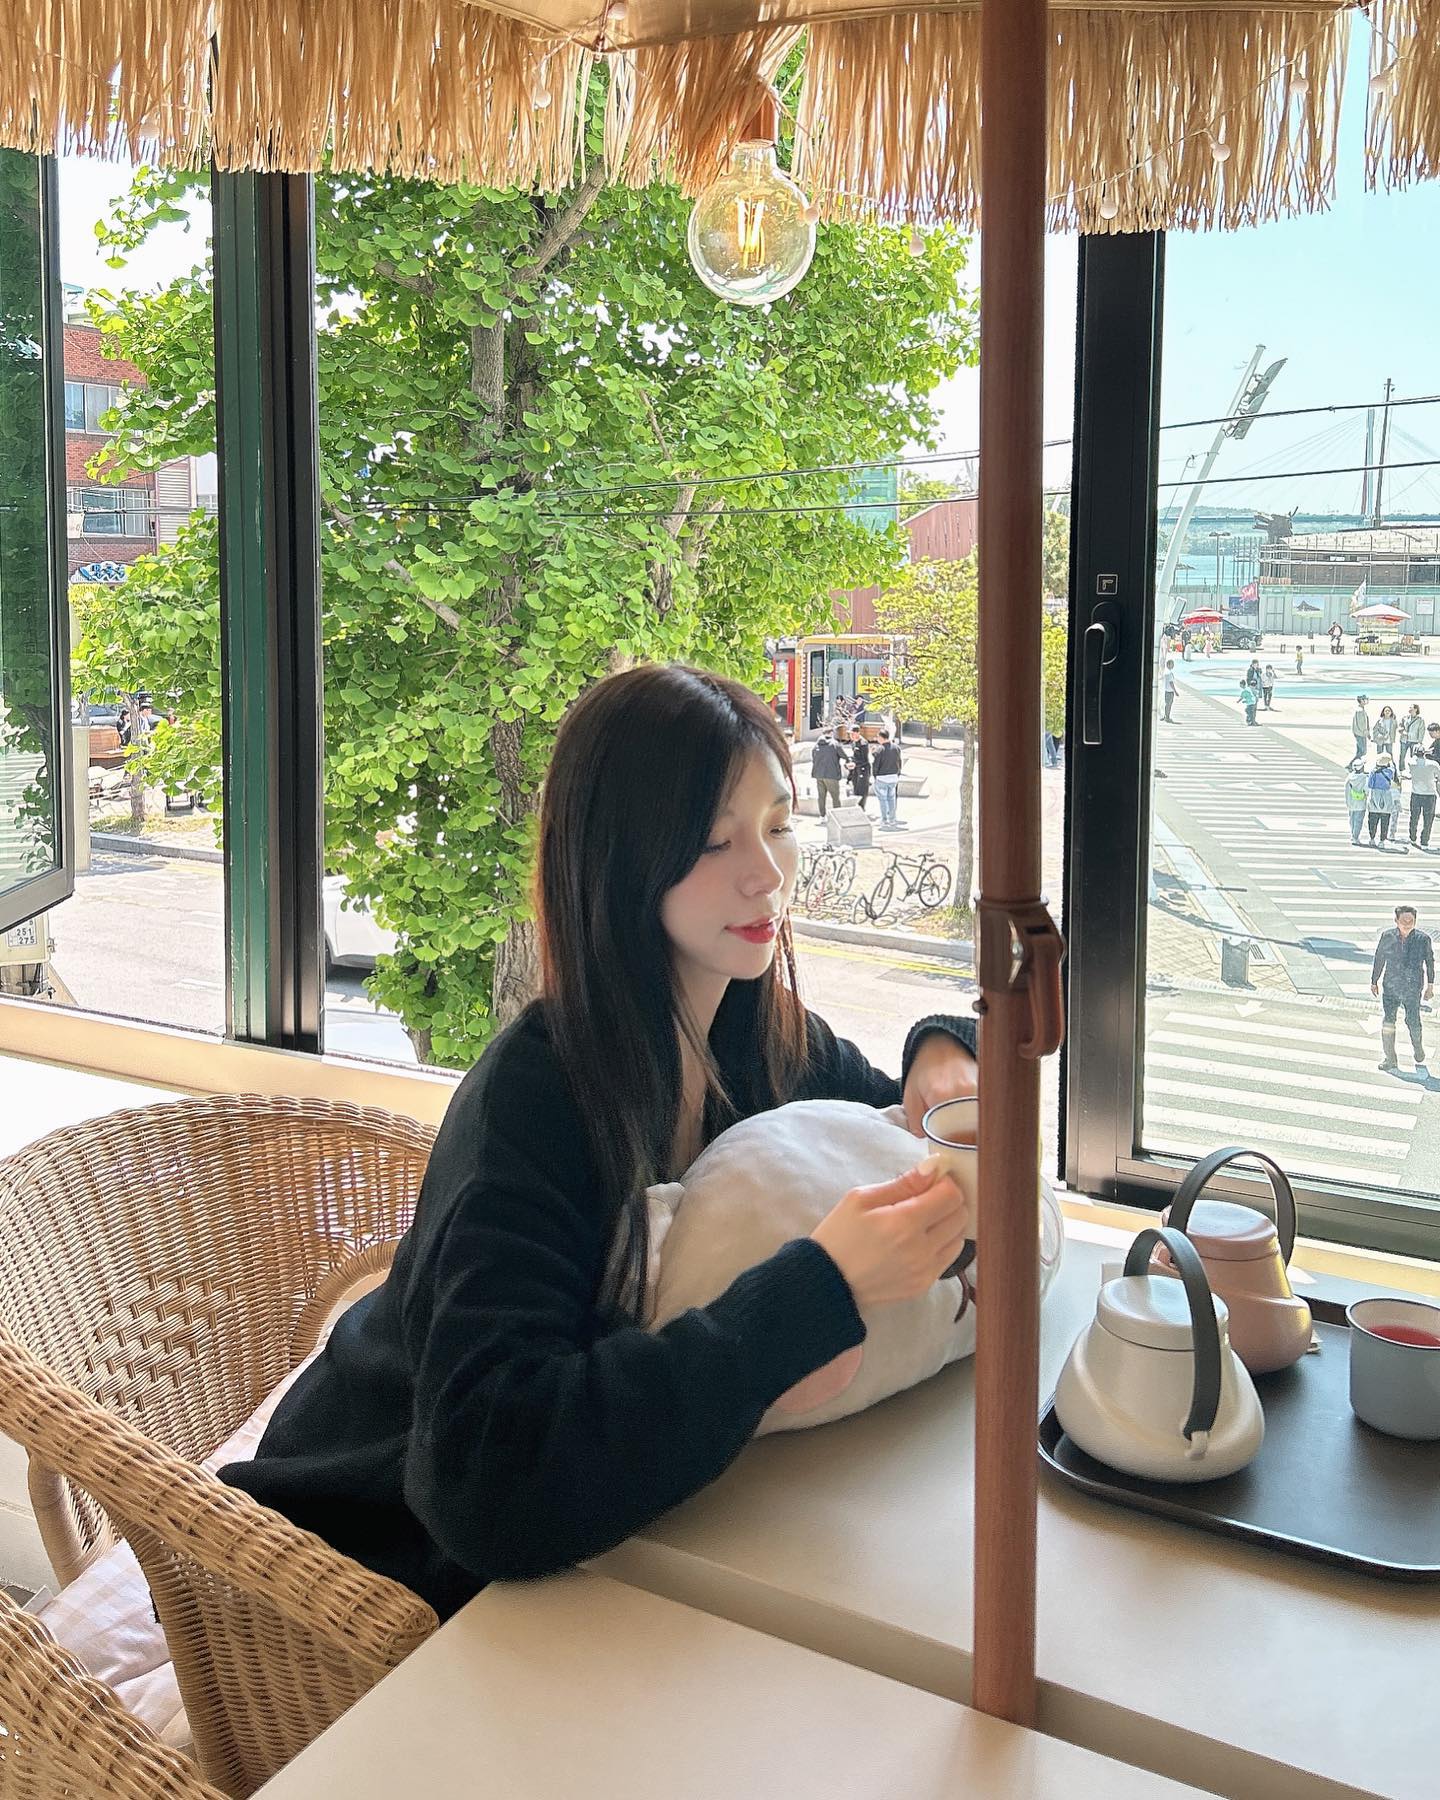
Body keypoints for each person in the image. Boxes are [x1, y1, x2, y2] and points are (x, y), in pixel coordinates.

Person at [220, 664, 979, 1618]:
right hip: (358, 1555)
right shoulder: (537, 1098)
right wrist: (816, 1293)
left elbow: (889, 1115)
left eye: (780, 825)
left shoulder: (755, 1032)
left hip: (608, 1546)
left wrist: (943, 1048)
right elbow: (487, 1481)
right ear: (621, 860)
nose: (767, 872)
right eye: (714, 841)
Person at [1371, 905, 1434, 1074]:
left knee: (1413, 1021)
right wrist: (1374, 980)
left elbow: (1429, 962)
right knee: (1388, 1022)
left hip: (1412, 987)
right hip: (1391, 986)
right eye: (1404, 920)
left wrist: (1430, 986)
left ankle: (1418, 1047)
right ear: (1396, 920)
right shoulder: (1387, 936)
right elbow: (1379, 958)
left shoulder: (1423, 939)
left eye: (1411, 921)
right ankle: (1390, 1058)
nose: (1407, 924)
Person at [811, 729, 847, 819]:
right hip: (831, 774)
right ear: (831, 733)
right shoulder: (835, 744)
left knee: (821, 796)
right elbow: (843, 755)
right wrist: (849, 760)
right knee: (835, 797)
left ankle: (822, 816)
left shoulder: (816, 745)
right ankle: (837, 817)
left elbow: (813, 758)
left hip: (819, 774)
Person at [1409, 746, 1439, 849]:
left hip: (1416, 793)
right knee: (1428, 820)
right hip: (1430, 794)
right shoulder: (1433, 764)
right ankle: (1424, 841)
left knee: (1414, 817)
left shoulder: (1411, 763)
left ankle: (1412, 837)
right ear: (1424, 753)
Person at [1367, 753, 1398, 847]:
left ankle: (1372, 838)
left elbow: (1370, 785)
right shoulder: (1390, 771)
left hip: (1375, 796)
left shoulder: (1373, 772)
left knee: (1373, 820)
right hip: (1386, 797)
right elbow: (1395, 777)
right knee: (1385, 821)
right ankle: (1382, 841)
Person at [873, 729, 903, 828]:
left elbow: (876, 765)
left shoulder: (879, 749)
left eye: (878, 737)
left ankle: (884, 820)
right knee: (891, 799)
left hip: (882, 777)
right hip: (893, 777)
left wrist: (875, 776)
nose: (877, 739)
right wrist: (898, 774)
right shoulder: (896, 748)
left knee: (883, 800)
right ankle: (892, 819)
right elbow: (899, 762)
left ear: (881, 737)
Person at [1345, 762, 1370, 846]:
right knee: (1358, 821)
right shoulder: (1364, 778)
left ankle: (1353, 834)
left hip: (1351, 803)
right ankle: (1355, 837)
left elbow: (1346, 791)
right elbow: (1367, 791)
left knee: (1352, 820)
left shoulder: (1349, 778)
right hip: (1360, 803)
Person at [849, 732, 872, 811]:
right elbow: (854, 756)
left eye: (853, 734)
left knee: (862, 789)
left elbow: (864, 759)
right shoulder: (853, 742)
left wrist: (855, 763)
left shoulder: (863, 743)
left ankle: (861, 807)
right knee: (855, 787)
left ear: (858, 733)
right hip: (855, 768)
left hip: (863, 768)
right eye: (850, 734)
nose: (851, 736)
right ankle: (856, 807)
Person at [1401, 704, 1425, 771]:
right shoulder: (1405, 718)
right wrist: (1402, 732)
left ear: (1416, 709)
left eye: (1411, 707)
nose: (1409, 709)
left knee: (1414, 757)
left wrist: (1420, 742)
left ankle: (1413, 771)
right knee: (1402, 756)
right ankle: (1401, 770)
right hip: (1404, 740)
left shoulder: (1420, 720)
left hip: (1414, 740)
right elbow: (1400, 726)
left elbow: (1421, 731)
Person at [1351, 695, 1371, 762]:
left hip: (1359, 733)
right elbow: (1362, 725)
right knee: (1363, 751)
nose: (1367, 701)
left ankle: (1357, 764)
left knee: (1360, 751)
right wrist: (1367, 733)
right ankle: (1353, 764)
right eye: (1365, 699)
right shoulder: (1360, 711)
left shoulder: (1360, 709)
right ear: (1362, 701)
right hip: (1360, 734)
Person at [1161, 659, 1178, 723]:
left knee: (1166, 704)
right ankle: (1167, 717)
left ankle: (1165, 716)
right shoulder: (1170, 673)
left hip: (1166, 690)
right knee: (1169, 705)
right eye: (1172, 664)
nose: (1173, 665)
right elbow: (1171, 683)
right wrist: (1175, 691)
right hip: (1170, 691)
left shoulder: (1165, 672)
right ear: (1168, 665)